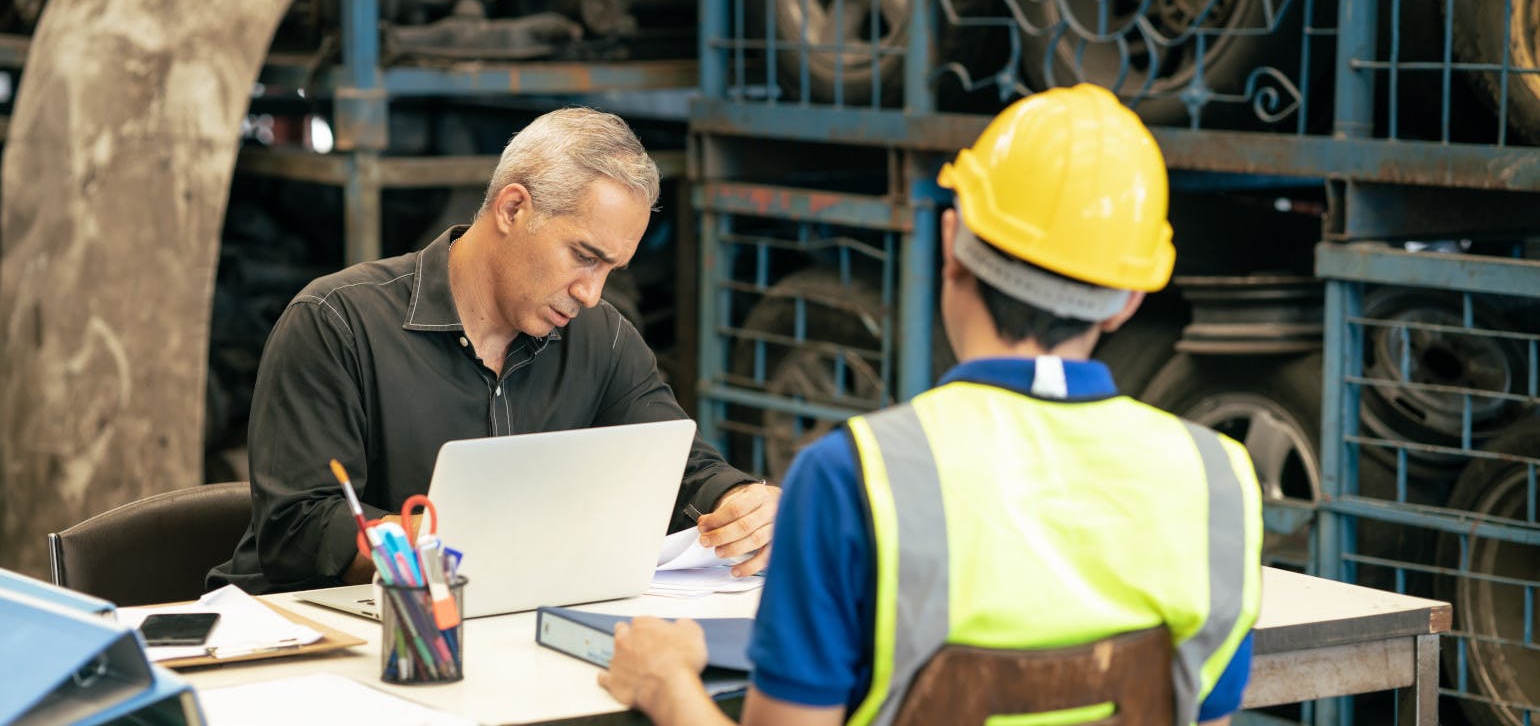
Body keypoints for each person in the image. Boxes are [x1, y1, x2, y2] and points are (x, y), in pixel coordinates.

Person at [597, 85, 1264, 726]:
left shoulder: (851, 477)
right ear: (1128, 300)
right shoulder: (1218, 479)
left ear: (951, 245)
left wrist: (666, 686)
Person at [209, 107, 778, 594]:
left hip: (494, 630)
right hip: (300, 640)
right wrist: (453, 545)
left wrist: (742, 501)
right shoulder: (336, 323)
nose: (592, 292)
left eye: (610, 268)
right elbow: (300, 527)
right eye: (584, 255)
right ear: (512, 209)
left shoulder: (601, 338)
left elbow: (683, 467)